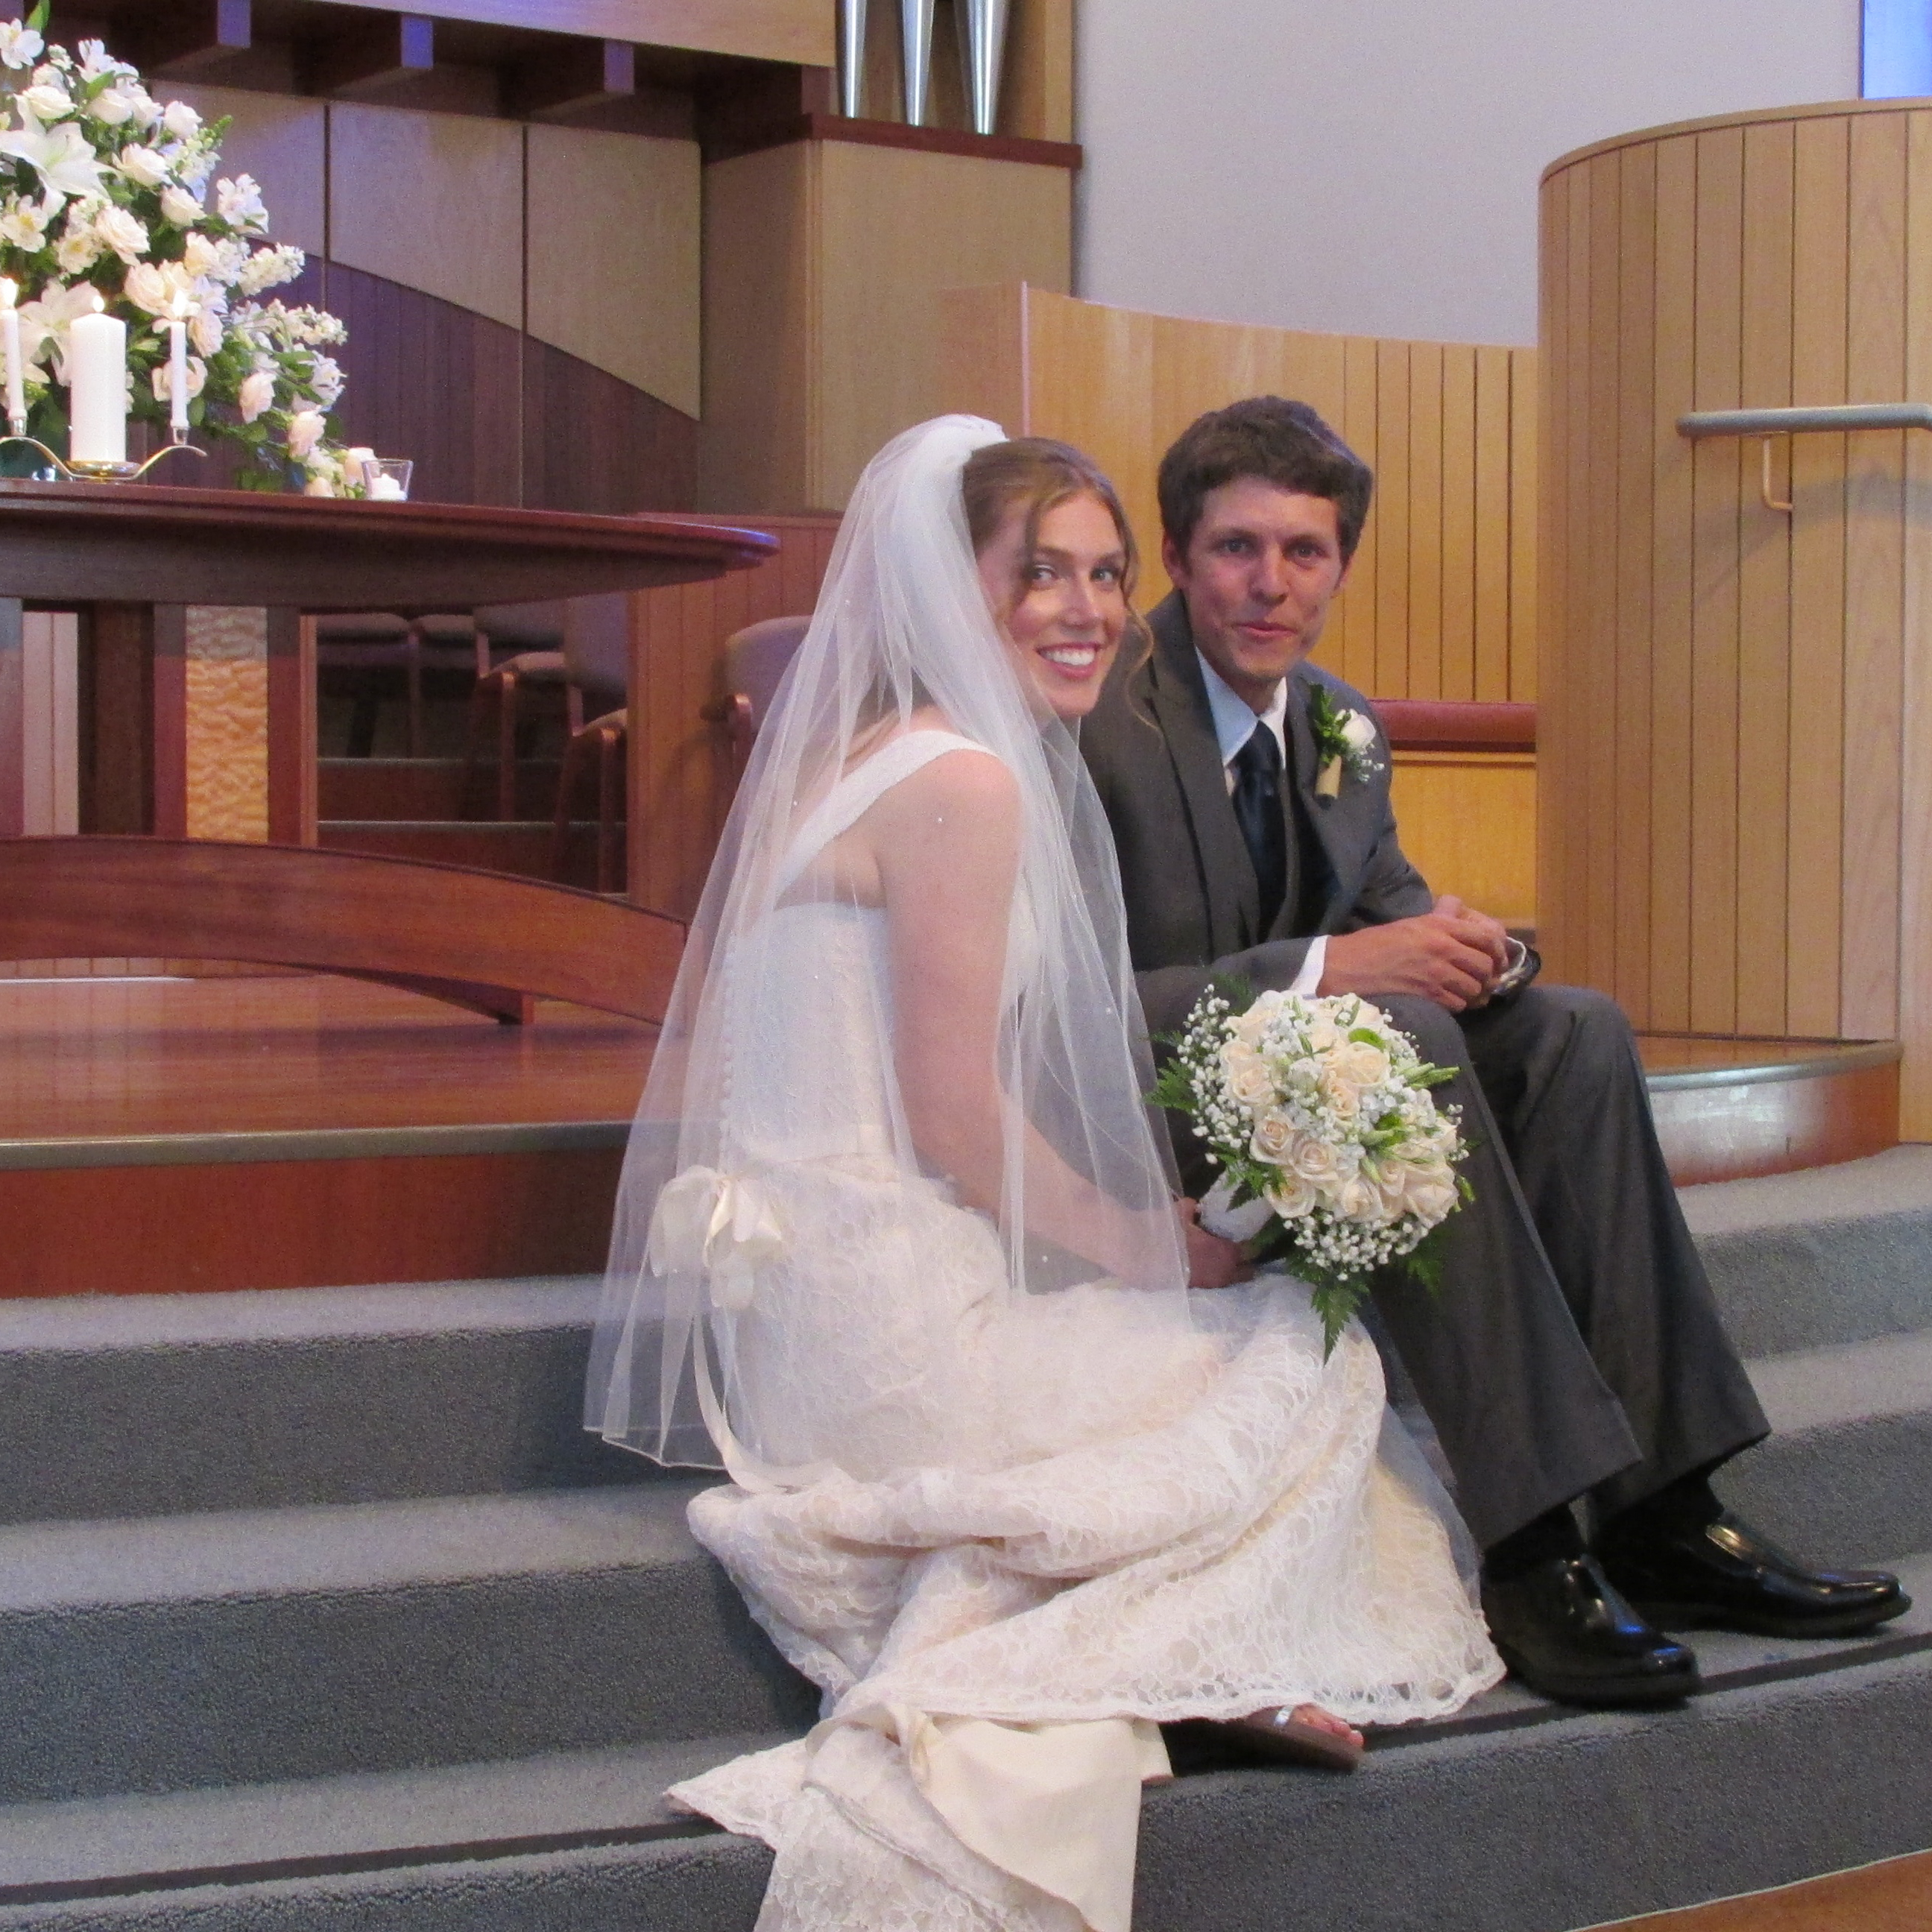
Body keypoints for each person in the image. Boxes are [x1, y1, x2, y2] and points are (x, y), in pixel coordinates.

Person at [587, 417, 1502, 1932]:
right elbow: (957, 1120)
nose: (1088, 611)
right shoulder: (965, 782)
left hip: (804, 1300)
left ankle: (1179, 1659)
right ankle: (1174, 1661)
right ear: (951, 587)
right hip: (890, 1316)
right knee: (1294, 1361)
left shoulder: (869, 756)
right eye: (1042, 576)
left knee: (1230, 1368)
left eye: (1106, 574)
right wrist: (1149, 1246)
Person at [1079, 395, 1908, 1711]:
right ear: (1177, 557)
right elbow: (1066, 1009)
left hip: (1314, 1087)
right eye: (1237, 547)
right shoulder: (1099, 721)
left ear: (1341, 566)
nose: (1272, 582)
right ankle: (1528, 1546)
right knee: (1395, 1032)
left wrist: (1486, 955)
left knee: (1576, 1029)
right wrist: (1329, 970)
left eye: (1305, 551)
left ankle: (1665, 1511)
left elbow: (1399, 917)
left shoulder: (1340, 724)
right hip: (1138, 1117)